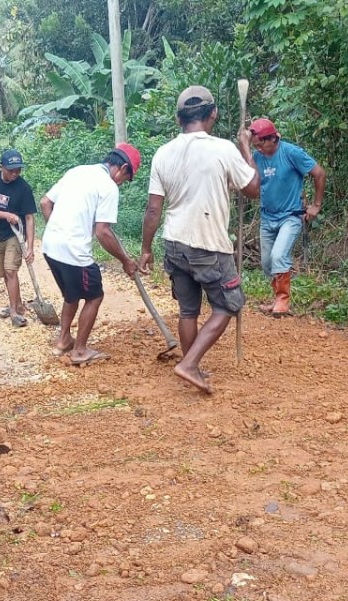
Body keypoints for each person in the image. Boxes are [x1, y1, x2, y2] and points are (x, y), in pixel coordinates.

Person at [138, 85, 259, 394]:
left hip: (174, 243)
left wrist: (146, 249)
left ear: (178, 118)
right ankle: (189, 364)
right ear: (213, 114)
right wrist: (246, 147)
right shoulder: (224, 149)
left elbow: (153, 209)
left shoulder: (163, 153)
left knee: (188, 311)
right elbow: (253, 188)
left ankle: (192, 365)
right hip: (209, 244)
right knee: (229, 304)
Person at [40, 144, 142, 366]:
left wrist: (57, 230)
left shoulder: (78, 171)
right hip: (74, 252)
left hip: (50, 246)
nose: (122, 183)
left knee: (72, 294)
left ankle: (63, 341)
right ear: (123, 168)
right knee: (94, 296)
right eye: (126, 179)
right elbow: (102, 232)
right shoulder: (108, 187)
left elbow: (45, 202)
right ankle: (79, 351)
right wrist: (125, 261)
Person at [238, 117, 326, 316]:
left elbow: (319, 173)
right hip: (267, 217)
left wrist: (316, 205)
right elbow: (250, 180)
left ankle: (282, 300)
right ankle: (276, 298)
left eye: (260, 145)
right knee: (267, 263)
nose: (259, 149)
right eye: (255, 146)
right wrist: (245, 145)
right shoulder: (257, 157)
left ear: (272, 139)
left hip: (290, 216)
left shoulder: (291, 153)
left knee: (279, 256)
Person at [0, 150, 37, 327]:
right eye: (11, 170)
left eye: (18, 170)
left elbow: (29, 218)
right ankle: (17, 304)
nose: (15, 173)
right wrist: (7, 215)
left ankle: (14, 312)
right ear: (1, 167)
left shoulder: (24, 188)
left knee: (11, 270)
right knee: (4, 273)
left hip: (15, 235)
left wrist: (30, 247)